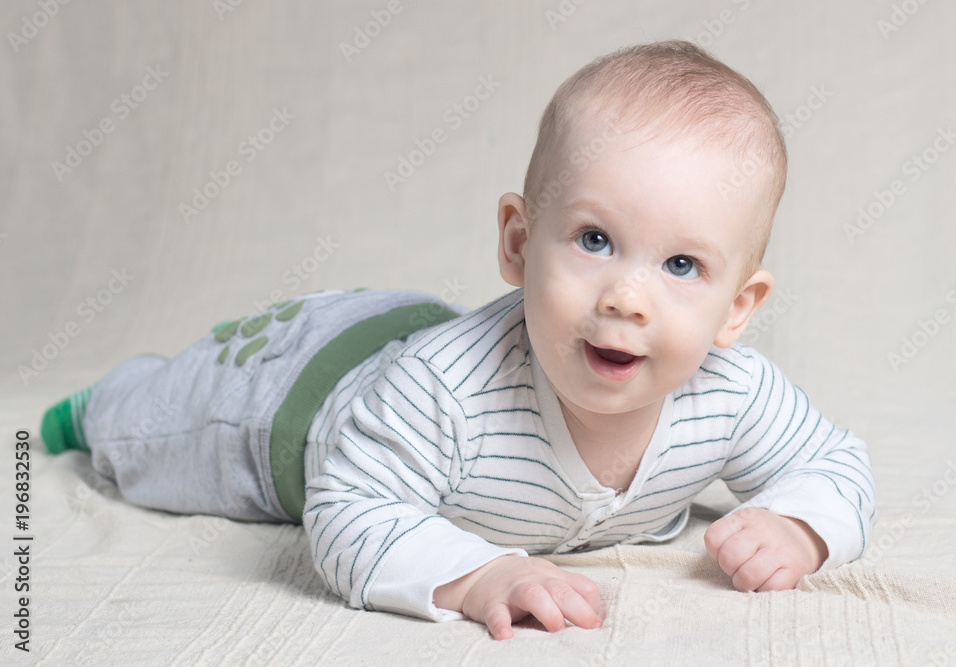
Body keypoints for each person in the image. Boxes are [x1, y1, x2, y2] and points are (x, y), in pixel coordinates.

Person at [40, 40, 876, 641]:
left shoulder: (731, 393)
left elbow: (836, 464)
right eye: (593, 240)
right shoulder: (442, 394)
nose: (628, 296)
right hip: (305, 402)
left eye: (684, 264)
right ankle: (95, 407)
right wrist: (482, 574)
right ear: (519, 241)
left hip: (411, 342)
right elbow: (347, 509)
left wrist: (803, 526)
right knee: (168, 424)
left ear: (739, 306)